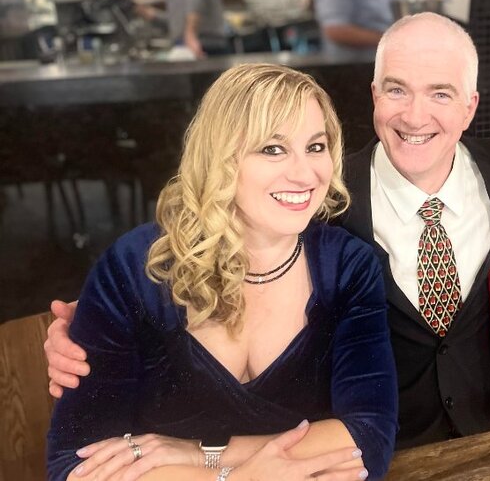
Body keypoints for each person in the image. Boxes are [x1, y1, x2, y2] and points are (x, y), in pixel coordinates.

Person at [45, 14, 490, 449]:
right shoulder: (313, 197)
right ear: (374, 94)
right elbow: (207, 237)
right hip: (379, 456)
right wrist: (100, 328)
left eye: (441, 93)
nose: (417, 115)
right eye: (398, 89)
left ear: (472, 105)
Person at [46, 64, 397, 480]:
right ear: (221, 158)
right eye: (273, 149)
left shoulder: (348, 266)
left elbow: (369, 440)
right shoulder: (136, 269)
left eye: (316, 147)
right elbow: (75, 464)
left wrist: (201, 456)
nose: (305, 174)